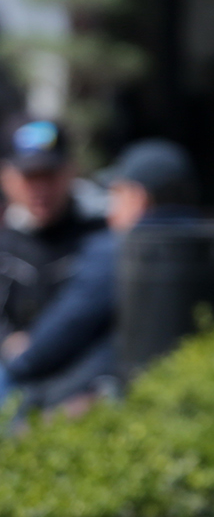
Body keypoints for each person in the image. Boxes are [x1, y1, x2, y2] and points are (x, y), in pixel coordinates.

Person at [0, 138, 201, 416]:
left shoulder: (116, 248)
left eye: (116, 194)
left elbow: (67, 325)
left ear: (137, 197)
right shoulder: (209, 245)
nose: (110, 206)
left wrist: (20, 360)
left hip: (88, 394)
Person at [0, 121, 106, 344]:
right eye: (30, 177)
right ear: (8, 179)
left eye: (49, 175)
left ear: (71, 171)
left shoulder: (99, 238)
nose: (41, 190)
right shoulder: (5, 246)